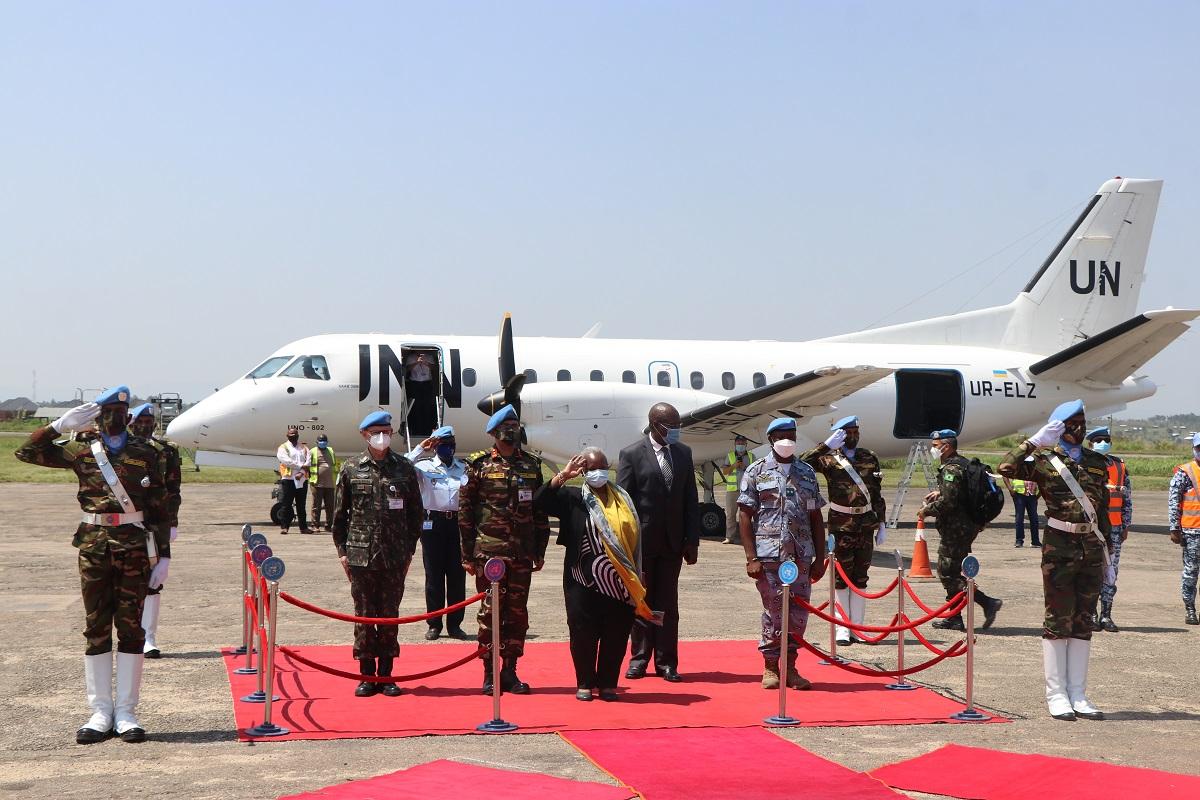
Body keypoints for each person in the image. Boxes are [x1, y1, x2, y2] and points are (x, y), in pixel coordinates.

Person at [15, 386, 171, 743]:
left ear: (128, 415)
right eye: (108, 411)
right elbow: (26, 452)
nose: (115, 417)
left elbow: (160, 506)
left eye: (121, 412)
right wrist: (57, 427)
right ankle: (100, 711)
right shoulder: (81, 449)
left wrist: (164, 555)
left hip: (134, 548)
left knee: (131, 628)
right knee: (96, 627)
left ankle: (127, 712)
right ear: (98, 415)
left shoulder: (145, 452)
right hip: (94, 547)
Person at [999, 399, 1109, 721]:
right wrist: (1034, 442)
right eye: (1072, 423)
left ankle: (1078, 693)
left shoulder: (1096, 461)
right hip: (1059, 547)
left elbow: (1101, 510)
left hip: (1091, 547)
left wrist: (1110, 554)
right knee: (1058, 619)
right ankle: (1056, 694)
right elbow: (1006, 468)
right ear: (1058, 427)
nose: (1080, 428)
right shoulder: (1043, 460)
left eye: (1082, 422)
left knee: (1084, 620)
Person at [538, 448, 658, 702]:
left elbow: (635, 539)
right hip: (582, 580)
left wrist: (640, 571)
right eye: (592, 469)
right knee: (583, 632)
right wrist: (563, 475)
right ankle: (584, 682)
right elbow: (540, 501)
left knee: (616, 633)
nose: (598, 473)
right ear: (583, 471)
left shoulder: (623, 499)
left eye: (602, 467)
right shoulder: (573, 498)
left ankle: (607, 684)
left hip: (621, 581)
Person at [459, 404, 551, 694]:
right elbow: (465, 512)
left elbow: (539, 511)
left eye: (515, 426)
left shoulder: (531, 465)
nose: (511, 431)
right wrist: (467, 555)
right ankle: (489, 674)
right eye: (506, 427)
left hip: (522, 553)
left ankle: (510, 671)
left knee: (517, 614)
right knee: (490, 614)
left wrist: (540, 550)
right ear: (494, 432)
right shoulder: (479, 464)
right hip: (490, 553)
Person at [331, 411, 424, 697]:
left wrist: (409, 551)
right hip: (361, 556)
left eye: (386, 431)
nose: (382, 437)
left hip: (395, 557)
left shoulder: (404, 468)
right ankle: (366, 675)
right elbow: (339, 517)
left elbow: (415, 514)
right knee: (364, 616)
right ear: (364, 435)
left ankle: (386, 675)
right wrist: (343, 553)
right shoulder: (351, 468)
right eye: (376, 433)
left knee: (389, 616)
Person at [737, 418, 827, 690]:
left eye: (792, 435)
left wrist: (819, 557)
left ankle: (790, 668)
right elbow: (745, 515)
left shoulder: (806, 472)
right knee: (773, 611)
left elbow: (815, 517)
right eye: (782, 436)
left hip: (800, 556)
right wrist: (751, 558)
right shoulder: (756, 471)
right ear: (771, 439)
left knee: (799, 615)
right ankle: (770, 666)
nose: (788, 441)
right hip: (769, 557)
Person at [617, 402, 700, 682]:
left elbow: (690, 498)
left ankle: (666, 662)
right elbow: (624, 504)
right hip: (642, 544)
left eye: (678, 426)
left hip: (673, 543)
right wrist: (626, 545)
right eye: (671, 427)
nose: (676, 431)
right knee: (641, 602)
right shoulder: (631, 454)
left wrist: (692, 540)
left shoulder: (683, 453)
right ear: (655, 425)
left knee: (667, 604)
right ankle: (639, 658)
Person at [801, 416, 886, 646]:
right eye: (848, 432)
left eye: (856, 432)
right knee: (841, 577)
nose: (853, 436)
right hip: (841, 525)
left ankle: (857, 627)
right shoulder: (828, 458)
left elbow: (876, 493)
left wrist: (882, 522)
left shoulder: (869, 457)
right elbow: (802, 464)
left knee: (861, 577)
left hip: (865, 525)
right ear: (839, 434)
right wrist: (826, 446)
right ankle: (842, 628)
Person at [918, 430, 1003, 632]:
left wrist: (926, 511)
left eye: (935, 446)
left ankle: (986, 602)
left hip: (957, 530)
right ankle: (954, 617)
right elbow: (959, 492)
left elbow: (948, 503)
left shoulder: (951, 469)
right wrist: (940, 492)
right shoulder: (961, 464)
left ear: (946, 447)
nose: (933, 449)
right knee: (953, 571)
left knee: (947, 572)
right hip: (966, 526)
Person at [406, 425, 470, 641]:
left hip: (457, 524)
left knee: (457, 576)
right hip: (432, 524)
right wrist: (420, 449)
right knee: (434, 576)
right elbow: (401, 467)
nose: (448, 448)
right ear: (435, 447)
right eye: (443, 445)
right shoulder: (423, 466)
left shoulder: (464, 468)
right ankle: (434, 624)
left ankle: (455, 625)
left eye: (451, 444)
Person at [128, 404, 182, 659]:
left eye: (149, 421)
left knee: (153, 581)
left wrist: (172, 523)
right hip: (125, 522)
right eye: (141, 421)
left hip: (154, 524)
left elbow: (173, 490)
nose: (145, 426)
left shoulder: (166, 451)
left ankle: (148, 637)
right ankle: (129, 634)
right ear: (131, 423)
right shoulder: (117, 450)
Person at [1086, 427, 1132, 632]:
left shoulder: (1119, 466)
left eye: (1106, 440)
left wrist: (1125, 525)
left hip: (1114, 527)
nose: (1103, 443)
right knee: (1091, 570)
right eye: (1098, 440)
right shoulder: (1083, 465)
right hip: (1091, 528)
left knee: (1111, 572)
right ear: (1090, 444)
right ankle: (1091, 614)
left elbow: (1127, 499)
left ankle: (1106, 614)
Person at [1168, 432, 1200, 626]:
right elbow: (1174, 501)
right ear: (1194, 449)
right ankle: (1190, 609)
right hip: (1192, 532)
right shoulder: (1185, 472)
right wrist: (1174, 528)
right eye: (1199, 448)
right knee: (1191, 571)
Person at [720, 435, 755, 544]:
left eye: (742, 443)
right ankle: (729, 537)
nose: (740, 445)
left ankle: (745, 537)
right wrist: (734, 466)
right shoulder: (730, 456)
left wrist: (745, 467)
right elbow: (725, 472)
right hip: (732, 490)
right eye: (738, 443)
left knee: (745, 514)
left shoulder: (751, 456)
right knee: (730, 514)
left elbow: (755, 472)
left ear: (746, 445)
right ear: (735, 444)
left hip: (747, 490)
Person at [276, 427, 311, 534]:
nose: (293, 437)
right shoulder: (283, 447)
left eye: (295, 435)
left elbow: (308, 462)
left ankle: (303, 528)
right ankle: (284, 527)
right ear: (287, 436)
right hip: (289, 480)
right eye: (291, 435)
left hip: (302, 480)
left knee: (301, 505)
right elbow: (286, 461)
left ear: (298, 436)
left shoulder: (304, 448)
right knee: (286, 504)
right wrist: (301, 466)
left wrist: (302, 472)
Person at [1003, 473, 1042, 548]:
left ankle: (1035, 541)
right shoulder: (1016, 467)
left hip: (1032, 495)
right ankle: (1019, 540)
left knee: (1034, 519)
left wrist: (1039, 494)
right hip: (1019, 494)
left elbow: (1042, 478)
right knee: (1019, 518)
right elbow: (1004, 474)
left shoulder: (1034, 468)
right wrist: (1010, 489)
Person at [309, 434, 337, 532]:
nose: (323, 443)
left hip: (330, 483)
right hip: (317, 483)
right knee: (316, 505)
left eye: (324, 441)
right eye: (321, 441)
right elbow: (307, 465)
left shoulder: (331, 450)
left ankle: (328, 525)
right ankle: (315, 525)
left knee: (330, 506)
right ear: (316, 442)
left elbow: (334, 464)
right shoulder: (312, 451)